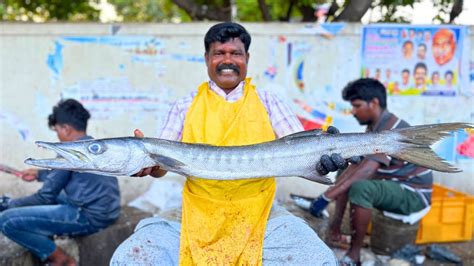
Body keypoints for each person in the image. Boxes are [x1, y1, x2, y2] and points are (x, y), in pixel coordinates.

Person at [111, 22, 347, 265]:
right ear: (206, 59)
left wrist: (324, 161)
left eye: (235, 53)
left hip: (261, 210)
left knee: (318, 258)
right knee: (130, 257)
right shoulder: (184, 105)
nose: (228, 60)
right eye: (219, 53)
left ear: (247, 58)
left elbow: (304, 151)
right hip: (195, 210)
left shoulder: (269, 102)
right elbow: (161, 166)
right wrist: (146, 160)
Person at [307, 78, 433, 265]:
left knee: (360, 188)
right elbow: (356, 168)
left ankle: (354, 254)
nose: (353, 111)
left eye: (357, 105)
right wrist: (329, 200)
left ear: (374, 103)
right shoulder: (374, 127)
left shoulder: (391, 128)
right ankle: (336, 229)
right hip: (392, 184)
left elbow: (367, 170)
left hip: (413, 193)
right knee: (344, 168)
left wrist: (326, 197)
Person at [0, 99, 121, 266]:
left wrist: (10, 204)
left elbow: (45, 197)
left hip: (90, 217)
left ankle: (61, 259)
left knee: (6, 220)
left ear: (66, 129)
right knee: (54, 197)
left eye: (57, 130)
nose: (57, 135)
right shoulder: (92, 145)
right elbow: (67, 174)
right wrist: (39, 174)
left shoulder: (69, 153)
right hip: (108, 211)